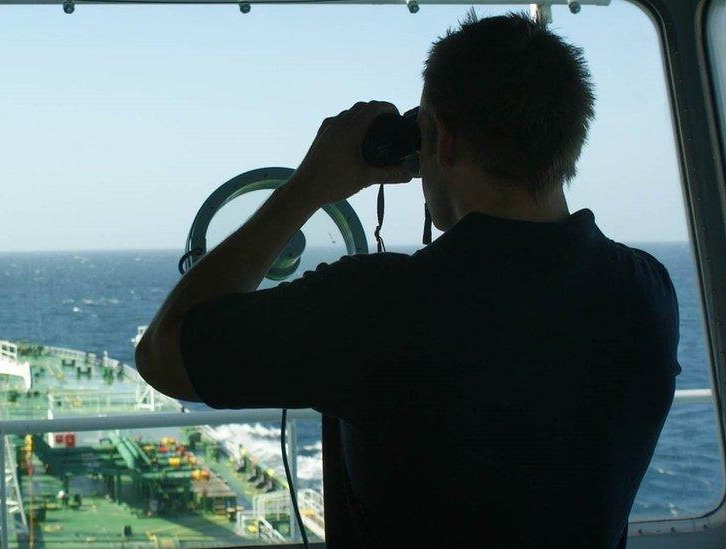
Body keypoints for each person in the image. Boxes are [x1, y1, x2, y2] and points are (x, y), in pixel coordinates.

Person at [135, 11, 680, 548]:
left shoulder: (378, 308)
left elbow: (163, 355)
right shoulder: (647, 292)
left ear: (442, 140)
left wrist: (309, 186)